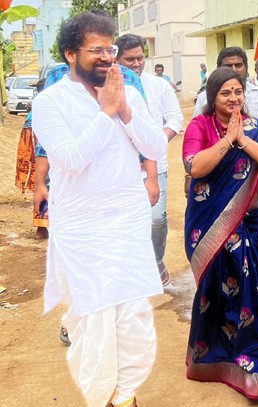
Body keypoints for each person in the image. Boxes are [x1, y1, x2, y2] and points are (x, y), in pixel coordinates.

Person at [31, 10, 166, 407]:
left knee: (133, 316)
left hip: (127, 219)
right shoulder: (49, 102)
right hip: (81, 228)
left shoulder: (128, 94)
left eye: (110, 49)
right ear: (71, 54)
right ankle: (104, 397)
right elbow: (72, 160)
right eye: (97, 50)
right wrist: (107, 112)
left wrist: (125, 112)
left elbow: (156, 147)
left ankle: (125, 395)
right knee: (94, 319)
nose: (107, 57)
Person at [182, 67, 258, 401]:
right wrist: (226, 140)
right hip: (212, 227)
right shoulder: (200, 126)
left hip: (254, 225)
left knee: (257, 291)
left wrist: (242, 139)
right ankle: (217, 355)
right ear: (213, 97)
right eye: (225, 93)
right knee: (216, 292)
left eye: (238, 91)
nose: (233, 98)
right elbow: (195, 166)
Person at [116, 34, 184, 286]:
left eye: (140, 58)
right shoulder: (109, 87)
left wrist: (155, 143)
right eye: (129, 59)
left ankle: (156, 260)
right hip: (121, 168)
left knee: (156, 218)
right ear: (116, 59)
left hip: (156, 166)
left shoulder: (159, 85)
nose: (136, 64)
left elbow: (175, 119)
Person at [192, 47, 258, 138]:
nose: (233, 70)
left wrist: (247, 143)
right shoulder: (205, 97)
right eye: (228, 66)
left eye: (238, 65)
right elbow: (196, 133)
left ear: (246, 67)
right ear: (218, 69)